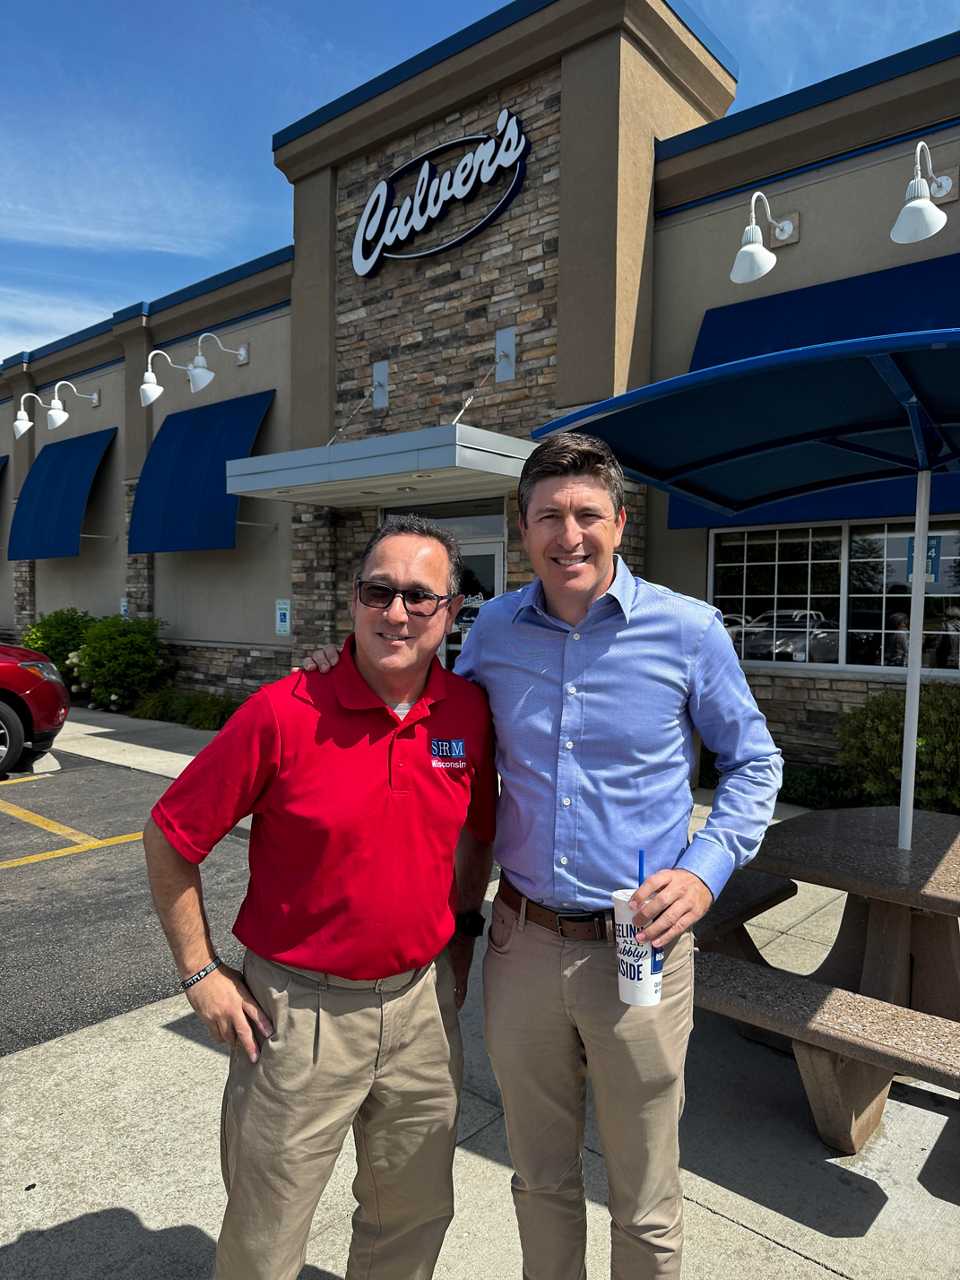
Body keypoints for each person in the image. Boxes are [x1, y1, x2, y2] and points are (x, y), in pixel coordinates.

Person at [307, 434, 782, 1280]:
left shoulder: (688, 630)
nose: (570, 535)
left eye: (587, 514)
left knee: (645, 1196)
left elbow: (755, 761)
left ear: (620, 523)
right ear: (522, 530)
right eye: (549, 516)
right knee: (540, 1178)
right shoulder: (492, 630)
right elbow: (422, 704)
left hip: (640, 946)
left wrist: (705, 869)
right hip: (521, 944)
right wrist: (334, 666)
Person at [144, 514, 497, 1280]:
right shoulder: (283, 712)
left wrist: (464, 936)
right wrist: (200, 973)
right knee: (265, 1238)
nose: (396, 612)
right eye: (378, 591)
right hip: (295, 1016)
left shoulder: (468, 714)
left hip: (422, 1009)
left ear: (451, 611)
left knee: (413, 1218)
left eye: (419, 596)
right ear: (352, 600)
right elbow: (170, 836)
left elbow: (478, 834)